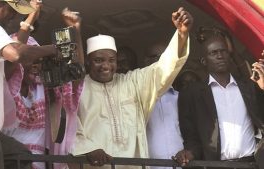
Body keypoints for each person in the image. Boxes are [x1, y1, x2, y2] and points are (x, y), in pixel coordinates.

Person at [71, 7, 193, 169]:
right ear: (88, 62)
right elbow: (69, 126)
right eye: (98, 60)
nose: (106, 66)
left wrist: (182, 34)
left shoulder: (132, 82)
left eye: (111, 60)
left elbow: (162, 69)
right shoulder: (78, 88)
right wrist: (88, 149)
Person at [0, 0, 62, 168]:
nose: (14, 16)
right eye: (11, 10)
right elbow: (16, 54)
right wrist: (54, 49)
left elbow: (10, 65)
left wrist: (29, 21)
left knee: (21, 155)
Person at [2, 4, 85, 169]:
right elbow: (15, 57)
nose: (36, 64)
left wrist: (74, 32)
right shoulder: (4, 85)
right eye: (31, 58)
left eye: (39, 60)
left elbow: (76, 74)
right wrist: (31, 16)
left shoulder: (44, 89)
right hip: (7, 162)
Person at [174, 27, 264, 168]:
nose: (220, 56)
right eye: (213, 53)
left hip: (252, 164)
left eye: (223, 51)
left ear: (229, 55)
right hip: (216, 165)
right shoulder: (193, 94)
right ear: (204, 61)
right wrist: (190, 152)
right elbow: (191, 136)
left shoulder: (248, 87)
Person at [144, 40, 183, 169]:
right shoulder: (137, 98)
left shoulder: (181, 99)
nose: (159, 61)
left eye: (163, 57)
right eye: (154, 57)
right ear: (146, 61)